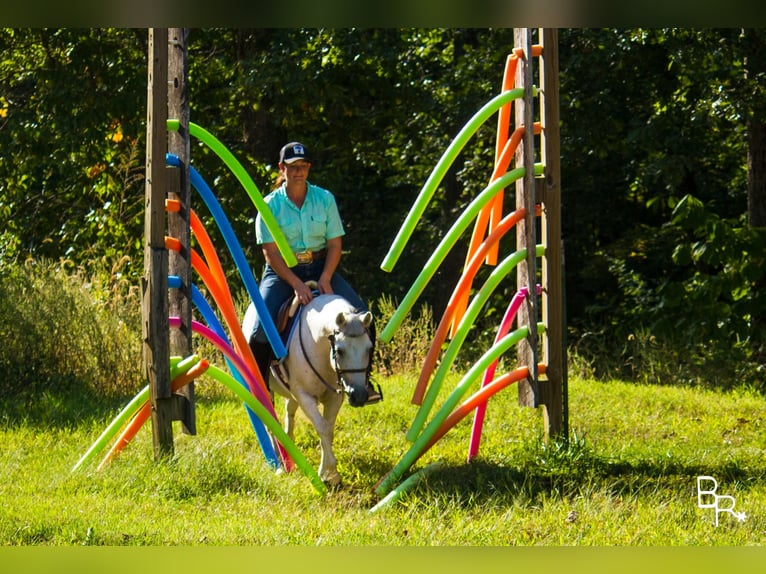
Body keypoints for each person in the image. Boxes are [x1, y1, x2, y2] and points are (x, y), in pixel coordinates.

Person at [247, 141, 381, 404]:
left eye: (303, 166)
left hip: (322, 267)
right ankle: (262, 389)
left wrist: (326, 278)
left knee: (365, 318)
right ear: (282, 169)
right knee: (257, 331)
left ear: (308, 168)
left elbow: (334, 245)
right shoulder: (269, 205)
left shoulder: (324, 199)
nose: (299, 171)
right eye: (293, 167)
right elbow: (270, 254)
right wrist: (296, 284)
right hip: (282, 272)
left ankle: (365, 383)